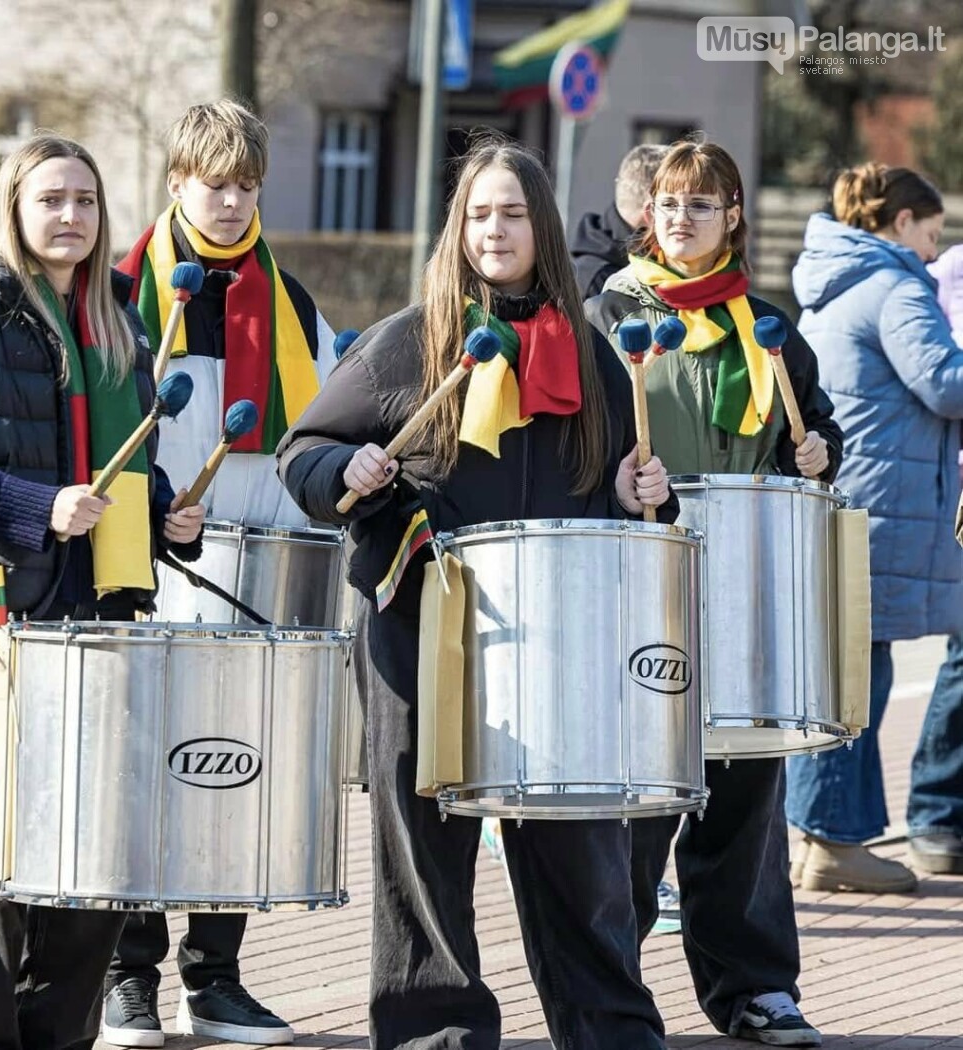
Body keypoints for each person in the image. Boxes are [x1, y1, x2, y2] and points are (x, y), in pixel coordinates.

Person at [279, 135, 675, 1050]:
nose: (495, 230)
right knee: (423, 847)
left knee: (581, 851)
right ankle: (436, 1032)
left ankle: (610, 1029)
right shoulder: (405, 345)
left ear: (541, 225)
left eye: (514, 213)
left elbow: (627, 481)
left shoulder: (593, 356)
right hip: (422, 619)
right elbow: (302, 457)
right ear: (457, 229)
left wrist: (641, 494)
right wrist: (353, 465)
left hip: (557, 637)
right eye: (479, 214)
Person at [0, 132, 205, 1050]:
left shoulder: (122, 317)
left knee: (94, 861)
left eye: (83, 199)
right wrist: (37, 506)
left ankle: (58, 1035)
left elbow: (122, 473)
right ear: (16, 210)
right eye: (51, 199)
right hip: (5, 613)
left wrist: (162, 519)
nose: (69, 215)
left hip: (108, 614)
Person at [586, 140, 840, 1047]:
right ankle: (609, 995)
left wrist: (817, 454)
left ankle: (756, 988)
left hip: (746, 583)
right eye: (668, 204)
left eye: (704, 205)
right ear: (644, 215)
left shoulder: (766, 326)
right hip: (642, 583)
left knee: (744, 801)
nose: (683, 219)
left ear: (735, 215)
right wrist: (622, 481)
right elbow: (578, 445)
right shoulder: (607, 314)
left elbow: (813, 432)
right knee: (640, 803)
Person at [107, 98, 334, 1048]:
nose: (233, 201)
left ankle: (216, 978)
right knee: (139, 774)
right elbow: (105, 429)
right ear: (175, 184)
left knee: (225, 773)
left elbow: (306, 436)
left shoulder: (294, 304)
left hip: (246, 563)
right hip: (149, 560)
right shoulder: (121, 291)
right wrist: (158, 513)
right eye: (215, 183)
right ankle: (127, 978)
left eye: (246, 185)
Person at [790, 163, 963, 886]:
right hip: (881, 502)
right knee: (858, 675)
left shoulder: (833, 279)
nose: (934, 251)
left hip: (849, 493)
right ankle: (833, 843)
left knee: (845, 668)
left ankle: (821, 840)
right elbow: (946, 383)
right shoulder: (895, 286)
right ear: (901, 224)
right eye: (931, 233)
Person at [570, 143, 668, 301]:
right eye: (672, 204)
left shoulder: (596, 266)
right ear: (652, 210)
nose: (683, 215)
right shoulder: (604, 284)